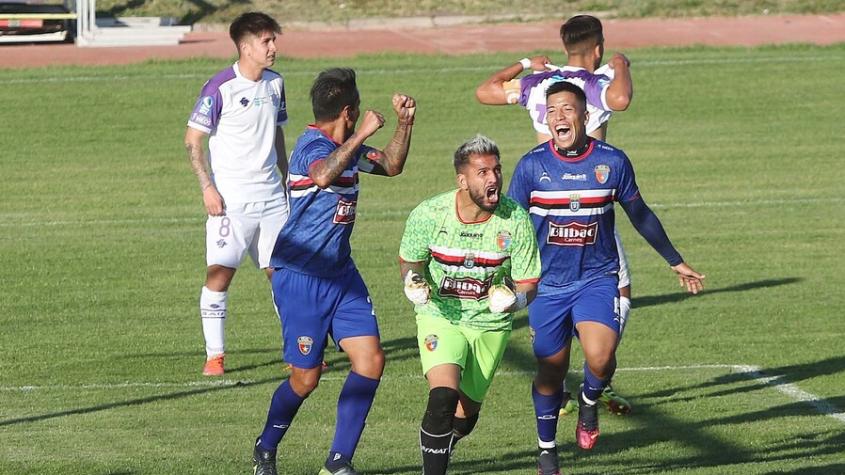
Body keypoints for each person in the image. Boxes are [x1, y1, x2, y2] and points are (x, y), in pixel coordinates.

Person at [507, 81, 704, 474]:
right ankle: (547, 449)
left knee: (600, 356)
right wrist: (504, 276)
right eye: (552, 111)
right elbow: (510, 224)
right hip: (546, 284)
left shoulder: (612, 162)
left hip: (597, 277)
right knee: (551, 369)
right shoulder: (531, 166)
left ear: (584, 115)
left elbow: (640, 214)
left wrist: (674, 260)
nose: (558, 117)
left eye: (566, 110)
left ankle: (589, 402)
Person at [252, 68, 416, 475]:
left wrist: (404, 124)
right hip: (301, 278)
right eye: (357, 109)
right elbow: (323, 175)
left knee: (371, 360)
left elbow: (392, 165)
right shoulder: (311, 147)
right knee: (305, 380)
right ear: (348, 111)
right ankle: (265, 447)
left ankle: (338, 462)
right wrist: (361, 135)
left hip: (341, 277)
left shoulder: (346, 148)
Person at [476, 14, 634, 416]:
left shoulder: (539, 84)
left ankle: (563, 386)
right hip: (588, 210)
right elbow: (621, 100)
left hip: (542, 207)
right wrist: (621, 65)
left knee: (545, 287)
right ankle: (599, 380)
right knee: (618, 293)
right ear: (597, 47)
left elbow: (486, 91)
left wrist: (526, 64)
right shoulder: (595, 84)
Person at [399, 135, 542, 474]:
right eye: (482, 172)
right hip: (440, 316)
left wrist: (516, 299)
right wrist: (413, 281)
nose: (493, 178)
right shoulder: (430, 214)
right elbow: (410, 259)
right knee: (442, 399)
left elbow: (528, 281)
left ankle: (440, 445)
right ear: (462, 181)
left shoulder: (515, 220)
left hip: (489, 326)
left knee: (463, 418)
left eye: (496, 170)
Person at [184, 11, 289, 377]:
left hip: (274, 199)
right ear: (246, 47)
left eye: (273, 40)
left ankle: (299, 349)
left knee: (284, 275)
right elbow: (193, 140)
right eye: (267, 41)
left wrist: (287, 175)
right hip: (231, 202)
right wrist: (207, 187)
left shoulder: (276, 84)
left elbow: (276, 132)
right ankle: (215, 355)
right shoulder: (220, 88)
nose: (274, 47)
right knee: (219, 275)